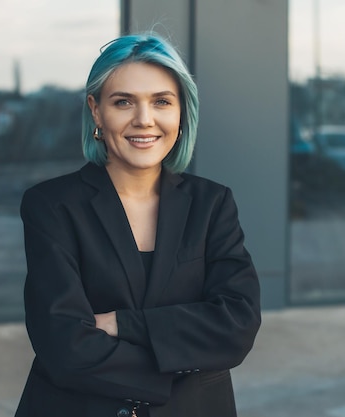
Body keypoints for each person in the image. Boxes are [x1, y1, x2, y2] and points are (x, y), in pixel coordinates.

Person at [16, 33, 261, 417]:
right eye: (123, 102)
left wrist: (121, 324)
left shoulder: (213, 204)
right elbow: (64, 345)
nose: (144, 120)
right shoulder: (51, 206)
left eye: (161, 101)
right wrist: (181, 367)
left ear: (182, 112)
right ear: (96, 111)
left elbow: (237, 326)